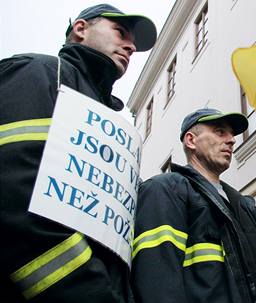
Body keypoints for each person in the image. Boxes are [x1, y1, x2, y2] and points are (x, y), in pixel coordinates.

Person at [0, 4, 156, 302]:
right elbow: (13, 189)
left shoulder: (109, 120)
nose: (131, 46)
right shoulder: (40, 72)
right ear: (81, 29)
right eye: (120, 32)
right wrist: (92, 291)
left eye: (132, 42)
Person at [130, 108, 256, 303]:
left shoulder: (243, 205)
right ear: (191, 140)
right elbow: (157, 282)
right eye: (219, 131)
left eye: (232, 134)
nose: (232, 140)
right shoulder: (165, 191)